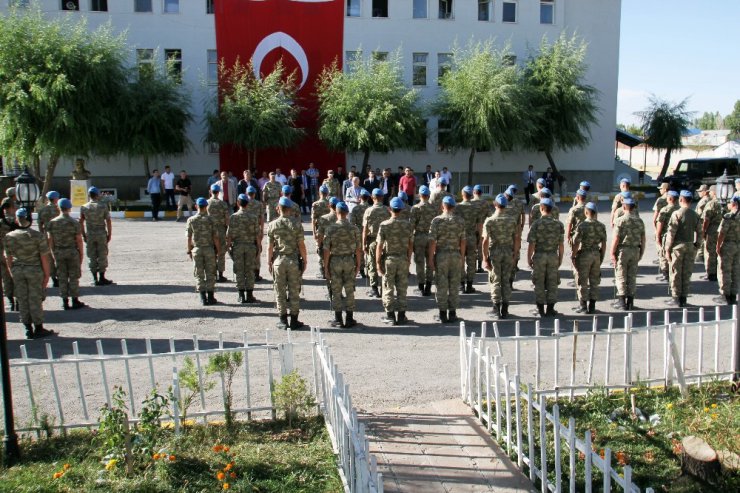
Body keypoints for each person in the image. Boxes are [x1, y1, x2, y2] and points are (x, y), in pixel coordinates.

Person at [4, 208, 53, 339]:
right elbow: (44, 258)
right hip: (34, 270)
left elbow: (8, 258)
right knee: (35, 299)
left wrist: (12, 272)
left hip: (18, 270)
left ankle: (27, 328)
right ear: (29, 219)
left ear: (16, 219)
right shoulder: (37, 236)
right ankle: (38, 327)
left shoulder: (9, 237)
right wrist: (47, 276)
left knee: (22, 299)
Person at [267, 197, 308, 330]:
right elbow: (301, 245)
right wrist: (305, 259)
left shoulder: (272, 225)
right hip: (293, 260)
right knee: (294, 290)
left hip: (279, 261)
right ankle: (294, 320)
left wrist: (269, 261)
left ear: (279, 208)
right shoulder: (296, 224)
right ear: (290, 209)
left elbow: (269, 247)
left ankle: (283, 320)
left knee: (280, 290)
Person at [323, 201, 362, 328]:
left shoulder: (330, 229)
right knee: (349, 290)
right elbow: (358, 249)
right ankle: (350, 318)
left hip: (335, 261)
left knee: (336, 289)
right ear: (347, 213)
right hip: (349, 261)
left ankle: (338, 319)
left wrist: (326, 266)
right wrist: (358, 264)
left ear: (337, 212)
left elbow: (326, 250)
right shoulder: (354, 229)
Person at [376, 197, 414, 325]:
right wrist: (409, 259)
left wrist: (377, 263)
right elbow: (410, 245)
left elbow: (379, 246)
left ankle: (390, 316)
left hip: (389, 259)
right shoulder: (407, 225)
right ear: (402, 209)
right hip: (403, 259)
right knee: (402, 287)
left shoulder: (384, 225)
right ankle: (402, 316)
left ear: (389, 209)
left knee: (388, 287)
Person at [482, 194, 520, 320]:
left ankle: (496, 308)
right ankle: (505, 309)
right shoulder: (512, 220)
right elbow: (516, 238)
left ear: (495, 204)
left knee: (495, 279)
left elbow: (485, 241)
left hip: (495, 252)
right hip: (508, 251)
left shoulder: (490, 220)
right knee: (506, 280)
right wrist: (515, 253)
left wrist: (484, 257)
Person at [428, 196, 465, 323]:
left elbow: (433, 241)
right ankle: (453, 313)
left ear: (442, 206)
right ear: (453, 207)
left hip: (441, 255)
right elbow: (463, 241)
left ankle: (442, 314)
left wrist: (430, 259)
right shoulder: (460, 221)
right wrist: (462, 257)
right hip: (455, 255)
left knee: (441, 285)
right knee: (454, 285)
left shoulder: (436, 221)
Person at [46, 198, 86, 311]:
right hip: (72, 252)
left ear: (59, 207)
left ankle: (65, 302)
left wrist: (53, 252)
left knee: (62, 277)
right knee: (74, 276)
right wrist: (81, 254)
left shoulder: (52, 223)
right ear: (69, 208)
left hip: (59, 252)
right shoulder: (74, 223)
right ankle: (75, 300)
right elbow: (79, 240)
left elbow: (50, 240)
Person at [664, 190, 702, 308]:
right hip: (690, 246)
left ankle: (676, 298)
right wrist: (697, 245)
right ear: (690, 201)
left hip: (677, 247)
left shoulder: (677, 214)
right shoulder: (694, 214)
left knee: (676, 272)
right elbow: (700, 232)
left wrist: (667, 249)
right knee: (686, 273)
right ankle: (684, 297)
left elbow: (671, 233)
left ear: (680, 199)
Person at [527, 198, 564, 317]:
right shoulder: (558, 224)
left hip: (539, 256)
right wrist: (560, 258)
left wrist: (529, 258)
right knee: (552, 282)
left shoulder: (536, 224)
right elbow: (561, 244)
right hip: (553, 255)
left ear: (541, 208)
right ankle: (550, 309)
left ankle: (540, 309)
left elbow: (532, 244)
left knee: (539, 283)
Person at [571, 202, 607, 314]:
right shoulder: (601, 226)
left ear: (586, 212)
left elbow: (576, 243)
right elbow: (604, 244)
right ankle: (592, 305)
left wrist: (573, 255)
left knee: (582, 280)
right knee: (594, 281)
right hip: (596, 254)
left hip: (585, 255)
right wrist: (601, 256)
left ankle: (583, 305)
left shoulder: (582, 226)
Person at [226, 194, 262, 304]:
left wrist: (228, 247)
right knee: (250, 270)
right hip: (251, 246)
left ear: (238, 203)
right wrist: (259, 247)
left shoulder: (233, 217)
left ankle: (241, 295)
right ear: (248, 204)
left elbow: (229, 235)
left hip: (238, 247)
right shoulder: (253, 217)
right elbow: (257, 234)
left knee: (239, 271)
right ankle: (250, 295)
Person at [610, 198, 645, 310]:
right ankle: (630, 302)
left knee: (621, 275)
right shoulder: (640, 221)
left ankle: (621, 302)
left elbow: (616, 238)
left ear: (624, 207)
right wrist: (641, 252)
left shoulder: (620, 221)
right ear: (634, 207)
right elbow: (643, 239)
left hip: (622, 251)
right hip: (635, 250)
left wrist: (612, 252)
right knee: (632, 276)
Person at [187, 197, 220, 306]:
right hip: (209, 249)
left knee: (199, 274)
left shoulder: (191, 220)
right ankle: (210, 297)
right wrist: (218, 250)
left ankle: (202, 297)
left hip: (197, 249)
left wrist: (189, 250)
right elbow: (215, 237)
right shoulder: (211, 220)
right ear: (206, 207)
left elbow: (189, 238)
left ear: (196, 206)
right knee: (210, 273)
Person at [80, 187, 113, 286]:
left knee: (92, 255)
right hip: (101, 234)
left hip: (90, 233)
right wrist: (109, 234)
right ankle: (102, 277)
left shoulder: (84, 207)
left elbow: (81, 222)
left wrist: (83, 234)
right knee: (102, 254)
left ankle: (95, 278)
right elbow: (108, 221)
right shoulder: (102, 206)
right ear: (97, 195)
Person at [363, 189, 391, 298]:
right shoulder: (387, 210)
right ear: (382, 197)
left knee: (372, 264)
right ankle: (385, 287)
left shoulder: (368, 211)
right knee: (384, 263)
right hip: (385, 241)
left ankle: (374, 289)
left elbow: (365, 229)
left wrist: (363, 243)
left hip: (373, 241)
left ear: (372, 197)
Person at [410, 186, 436, 296]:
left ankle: (421, 287)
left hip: (419, 237)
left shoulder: (415, 208)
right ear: (429, 195)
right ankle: (428, 287)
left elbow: (411, 226)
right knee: (430, 261)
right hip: (431, 237)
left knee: (420, 262)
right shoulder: (433, 208)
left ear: (420, 195)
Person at [457, 186, 482, 294]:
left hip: (460, 238)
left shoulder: (457, 208)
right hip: (472, 237)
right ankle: (470, 285)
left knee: (460, 260)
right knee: (471, 262)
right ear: (471, 194)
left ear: (462, 194)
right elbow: (479, 225)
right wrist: (480, 238)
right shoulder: (476, 208)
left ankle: (461, 285)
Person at [716, 196, 740, 305]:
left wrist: (718, 246)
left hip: (727, 246)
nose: (727, 205)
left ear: (734, 204)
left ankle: (725, 295)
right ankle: (733, 295)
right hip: (738, 246)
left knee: (725, 270)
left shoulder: (728, 216)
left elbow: (722, 233)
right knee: (736, 271)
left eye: (729, 203)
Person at [206, 184, 231, 282]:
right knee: (221, 252)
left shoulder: (207, 203)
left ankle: (211, 273)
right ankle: (220, 275)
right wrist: (228, 230)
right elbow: (227, 218)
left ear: (210, 191)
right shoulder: (223, 204)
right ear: (218, 192)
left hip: (209, 230)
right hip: (220, 230)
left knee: (211, 252)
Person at [37, 191, 61, 287]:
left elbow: (39, 224)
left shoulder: (43, 210)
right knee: (59, 256)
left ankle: (54, 278)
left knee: (49, 258)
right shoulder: (59, 209)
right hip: (59, 236)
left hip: (47, 235)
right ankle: (61, 277)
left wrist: (42, 234)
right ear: (56, 199)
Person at [655, 191, 679, 282]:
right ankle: (674, 273)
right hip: (677, 236)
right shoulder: (679, 209)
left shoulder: (665, 210)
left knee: (664, 255)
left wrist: (657, 236)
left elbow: (660, 224)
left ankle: (666, 275)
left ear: (669, 199)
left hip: (666, 236)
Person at [701, 186, 723, 282]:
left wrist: (703, 231)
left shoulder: (711, 203)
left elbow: (706, 219)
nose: (709, 193)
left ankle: (712, 273)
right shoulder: (725, 203)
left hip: (712, 230)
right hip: (723, 230)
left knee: (710, 252)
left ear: (714, 193)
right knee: (721, 251)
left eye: (710, 192)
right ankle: (720, 271)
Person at [0, 198, 17, 310]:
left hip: (1, 253)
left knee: (6, 279)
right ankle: (19, 303)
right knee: (16, 278)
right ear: (12, 207)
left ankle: (11, 302)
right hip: (14, 253)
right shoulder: (16, 221)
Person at [311, 185, 331, 278]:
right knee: (329, 249)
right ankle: (329, 269)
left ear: (319, 193)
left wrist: (314, 232)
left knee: (320, 249)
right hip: (330, 230)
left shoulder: (315, 204)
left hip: (320, 230)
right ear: (327, 193)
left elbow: (313, 220)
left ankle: (322, 270)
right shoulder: (330, 203)